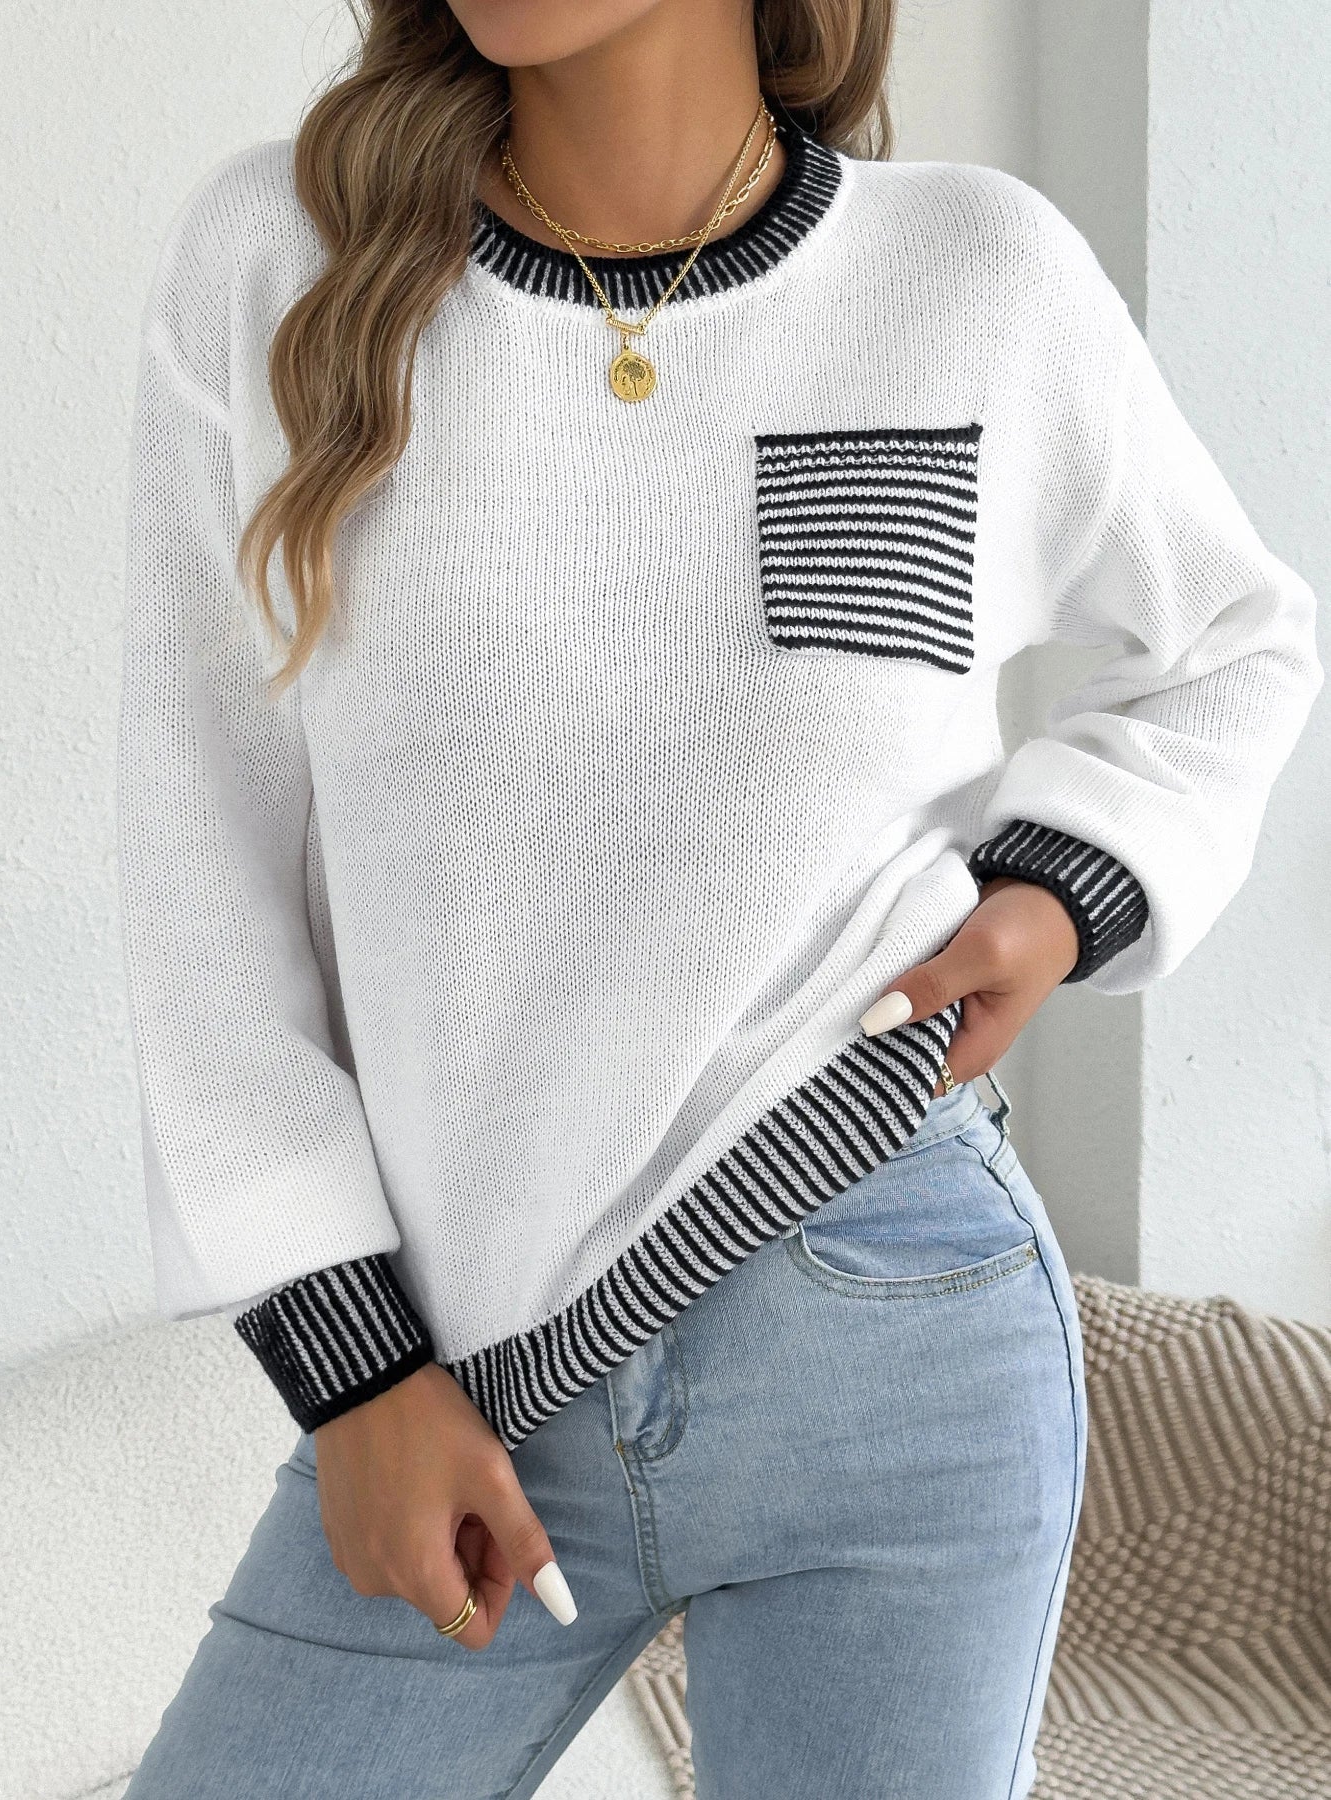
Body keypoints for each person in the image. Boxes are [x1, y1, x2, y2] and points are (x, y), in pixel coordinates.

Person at [114, 2, 1323, 1795]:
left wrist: (1057, 892)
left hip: (893, 1317)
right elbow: (198, 876)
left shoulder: (970, 272)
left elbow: (1235, 638)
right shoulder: (277, 263)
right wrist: (352, 1377)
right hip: (468, 1371)